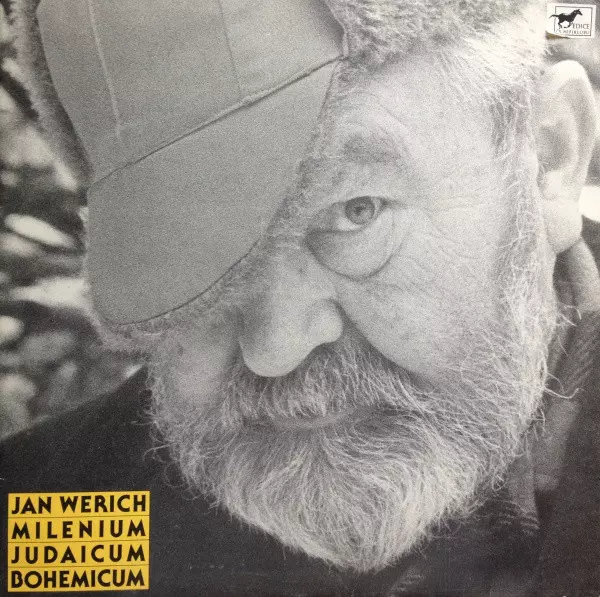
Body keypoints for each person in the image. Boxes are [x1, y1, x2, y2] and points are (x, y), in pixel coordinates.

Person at [2, 0, 600, 594]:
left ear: (549, 157)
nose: (274, 349)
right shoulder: (40, 527)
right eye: (188, 248)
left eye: (355, 212)